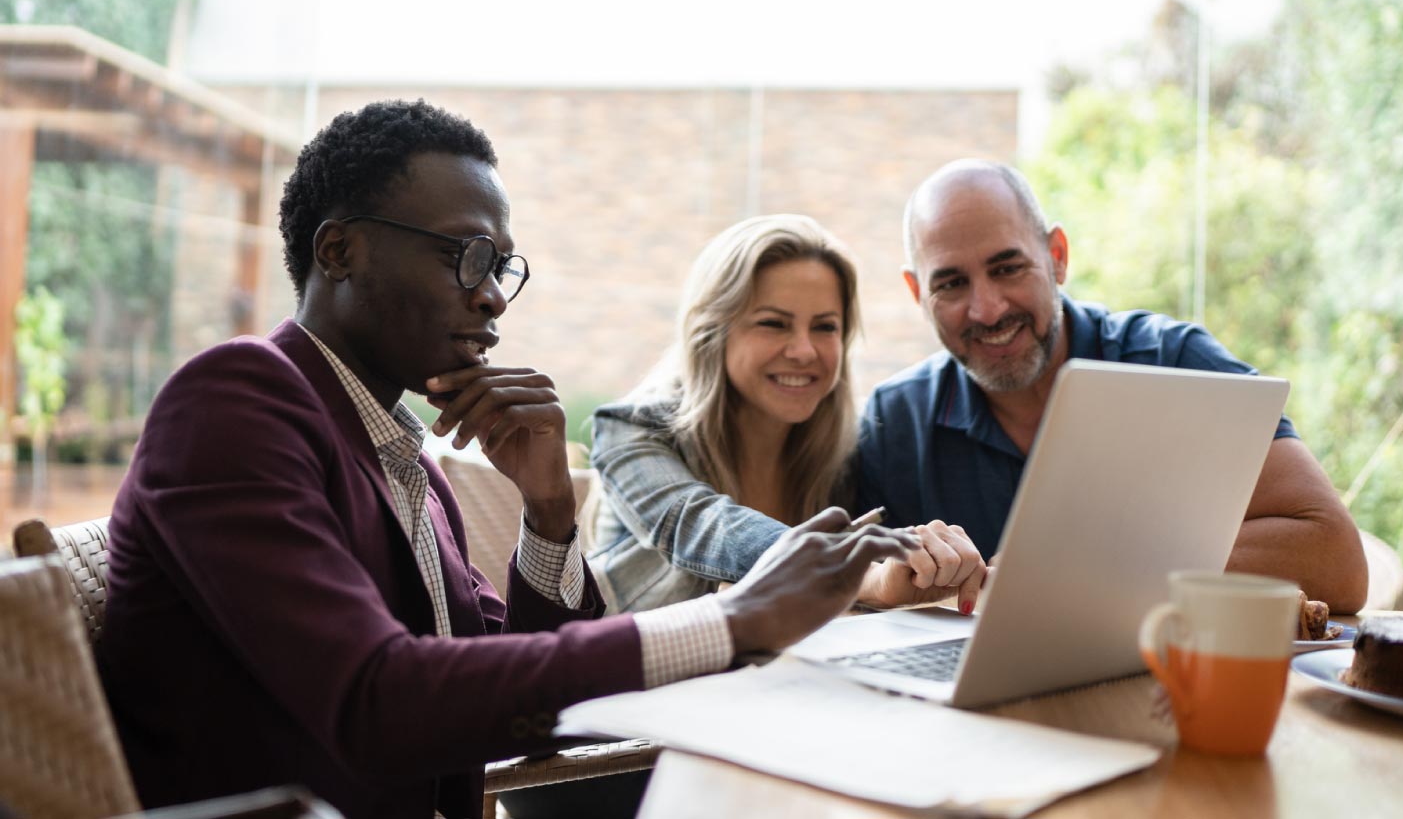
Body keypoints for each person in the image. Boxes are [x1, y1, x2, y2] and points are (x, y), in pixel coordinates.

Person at [95, 100, 921, 819]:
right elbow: (379, 701)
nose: (492, 295)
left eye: (501, 267)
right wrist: (734, 619)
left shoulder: (400, 458)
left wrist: (551, 513)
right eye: (468, 255)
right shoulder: (237, 399)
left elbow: (522, 692)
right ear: (340, 252)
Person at [855, 159, 1369, 613]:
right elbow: (823, 571)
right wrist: (881, 581)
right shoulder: (893, 421)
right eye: (950, 283)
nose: (987, 309)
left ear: (1057, 256)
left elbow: (1336, 560)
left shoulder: (1175, 362)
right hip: (960, 710)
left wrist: (1091, 568)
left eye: (1008, 268)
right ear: (917, 292)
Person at [589, 215, 988, 615]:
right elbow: (702, 528)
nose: (804, 351)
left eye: (824, 327)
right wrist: (861, 574)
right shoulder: (630, 430)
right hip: (632, 673)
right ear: (712, 332)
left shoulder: (849, 449)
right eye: (773, 324)